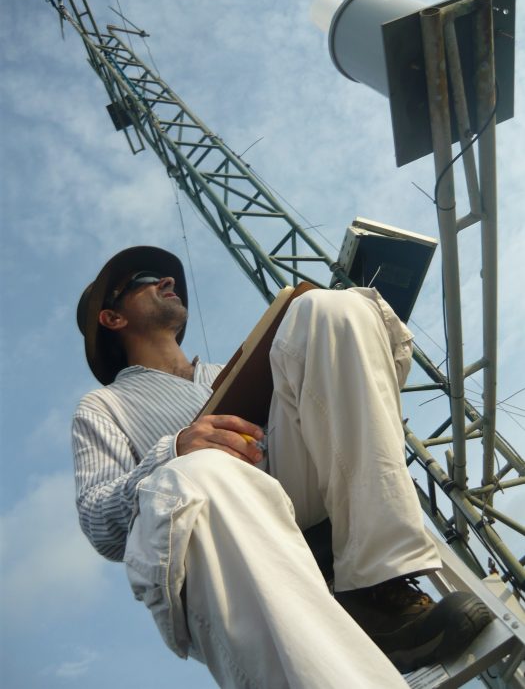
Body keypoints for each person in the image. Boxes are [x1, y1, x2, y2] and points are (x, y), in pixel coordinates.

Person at [73, 245, 490, 688]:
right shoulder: (102, 407)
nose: (168, 281)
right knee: (199, 472)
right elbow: (101, 525)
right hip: (228, 551)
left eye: (167, 277)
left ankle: (379, 590)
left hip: (299, 503)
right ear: (112, 318)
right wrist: (175, 449)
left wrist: (343, 400)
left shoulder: (235, 367)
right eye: (145, 279)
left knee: (327, 310)